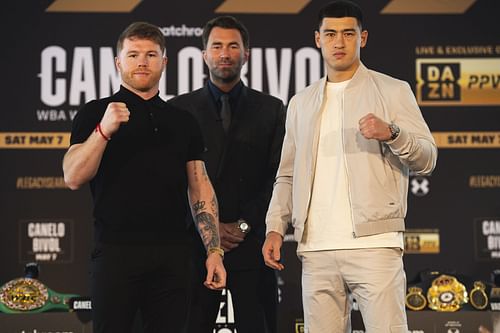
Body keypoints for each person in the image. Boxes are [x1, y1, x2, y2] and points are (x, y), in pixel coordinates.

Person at [262, 1, 438, 332]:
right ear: (318, 39)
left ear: (363, 38)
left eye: (348, 33)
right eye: (330, 34)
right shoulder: (301, 103)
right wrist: (275, 226)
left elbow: (428, 158)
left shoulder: (393, 90)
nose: (339, 42)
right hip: (316, 249)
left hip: (375, 245)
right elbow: (286, 175)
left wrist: (392, 134)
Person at [62, 21, 226, 333]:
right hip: (115, 254)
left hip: (173, 255)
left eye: (151, 55)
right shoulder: (95, 112)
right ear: (118, 62)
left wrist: (214, 251)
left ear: (164, 62)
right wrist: (103, 131)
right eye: (133, 54)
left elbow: (200, 187)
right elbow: (72, 176)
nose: (142, 61)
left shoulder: (182, 120)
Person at [169, 15, 285, 333]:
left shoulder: (272, 110)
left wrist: (244, 224)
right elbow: (172, 181)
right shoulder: (179, 110)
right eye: (217, 46)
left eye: (233, 46)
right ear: (204, 54)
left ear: (246, 54)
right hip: (195, 247)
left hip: (252, 246)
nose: (225, 53)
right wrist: (211, 229)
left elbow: (277, 178)